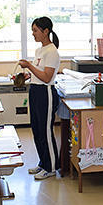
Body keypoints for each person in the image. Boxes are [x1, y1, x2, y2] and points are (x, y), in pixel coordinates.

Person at [18, 17, 60, 181]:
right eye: (33, 30)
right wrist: (27, 74)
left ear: (46, 31)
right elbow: (38, 73)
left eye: (35, 30)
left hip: (46, 93)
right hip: (35, 91)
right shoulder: (39, 51)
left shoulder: (52, 51)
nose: (33, 33)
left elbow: (47, 77)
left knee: (46, 131)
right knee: (36, 130)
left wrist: (29, 66)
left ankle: (51, 168)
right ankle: (43, 163)